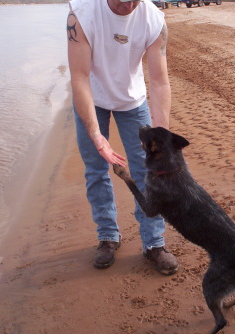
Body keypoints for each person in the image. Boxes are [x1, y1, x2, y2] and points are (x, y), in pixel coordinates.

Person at [67, 0, 178, 275]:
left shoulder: (154, 19)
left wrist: (160, 136)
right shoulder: (81, 14)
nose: (128, 4)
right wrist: (96, 135)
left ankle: (154, 243)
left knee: (147, 171)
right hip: (92, 98)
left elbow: (160, 80)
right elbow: (79, 78)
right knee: (96, 170)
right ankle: (108, 236)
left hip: (133, 101)